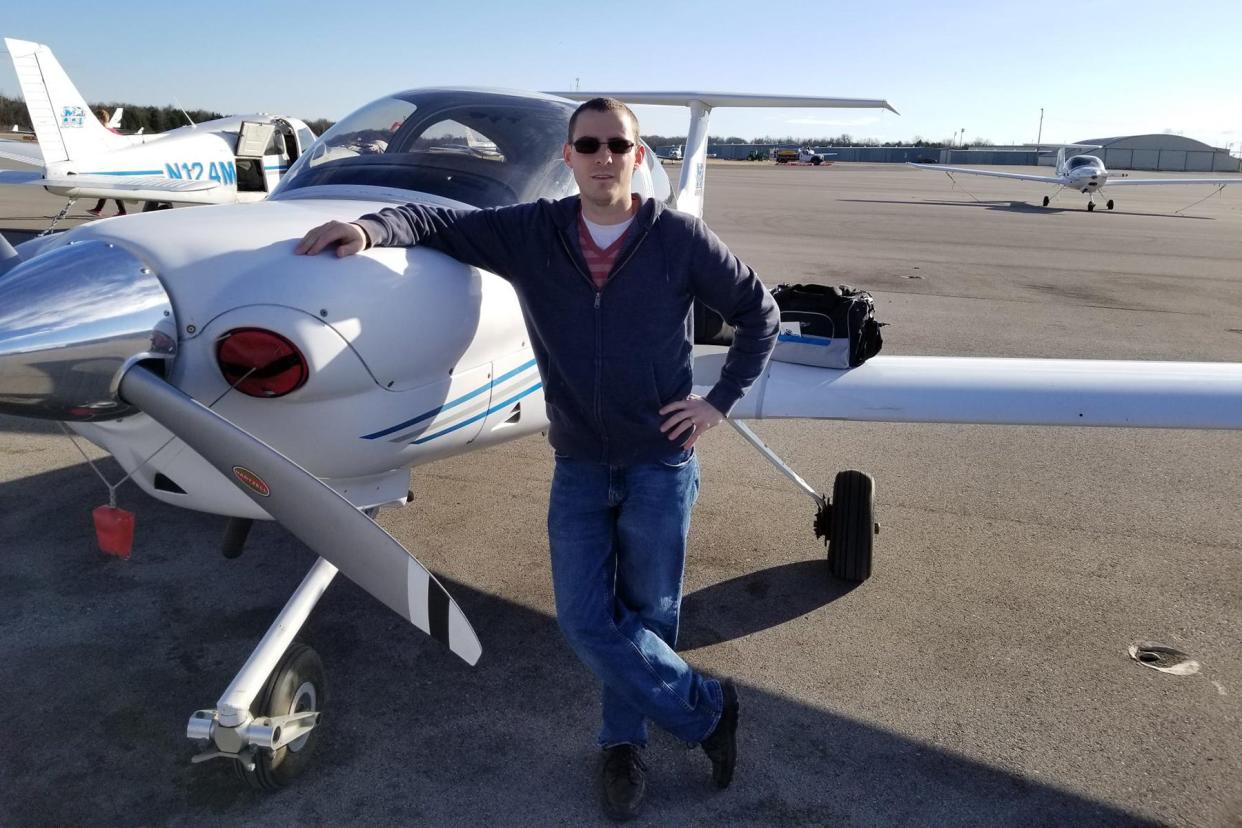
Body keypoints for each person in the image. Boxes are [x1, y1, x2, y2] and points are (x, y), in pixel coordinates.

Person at [296, 97, 779, 821]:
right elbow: (434, 221)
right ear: (569, 157)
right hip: (580, 462)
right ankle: (708, 711)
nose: (604, 156)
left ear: (639, 158)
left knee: (650, 614)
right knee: (586, 620)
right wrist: (366, 229)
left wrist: (719, 402)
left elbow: (758, 314)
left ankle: (624, 743)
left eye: (619, 144)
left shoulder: (679, 239)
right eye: (589, 145)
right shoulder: (533, 233)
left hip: (660, 463)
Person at [86, 110, 127, 217]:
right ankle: (99, 209)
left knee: (111, 188)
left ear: (100, 119)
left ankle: (121, 211)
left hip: (110, 164)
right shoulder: (114, 131)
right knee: (108, 188)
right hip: (115, 163)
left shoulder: (103, 132)